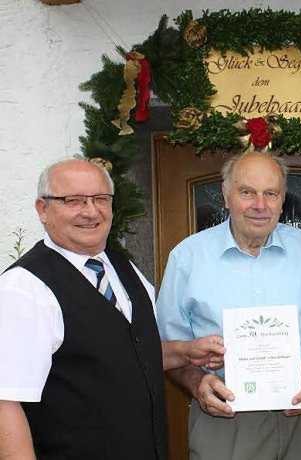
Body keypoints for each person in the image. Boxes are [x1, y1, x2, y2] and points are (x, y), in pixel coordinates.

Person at [0, 157, 224, 460]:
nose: (91, 211)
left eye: (100, 199)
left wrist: (186, 351)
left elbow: (128, 354)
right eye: (74, 200)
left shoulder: (123, 268)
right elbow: (6, 402)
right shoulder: (24, 288)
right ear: (43, 209)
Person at [156, 151, 301, 460]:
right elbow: (167, 347)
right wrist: (196, 382)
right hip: (224, 418)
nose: (260, 205)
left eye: (270, 193)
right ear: (226, 195)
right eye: (247, 192)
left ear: (283, 199)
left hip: (300, 416)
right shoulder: (187, 257)